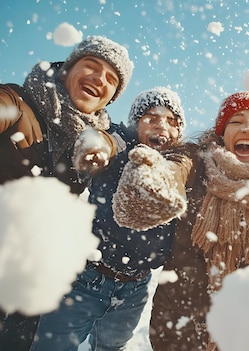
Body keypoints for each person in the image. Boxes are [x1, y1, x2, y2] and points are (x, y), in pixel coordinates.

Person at [0, 35, 133, 351]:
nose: (99, 79)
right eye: (91, 65)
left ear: (110, 98)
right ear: (66, 69)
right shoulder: (13, 104)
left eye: (111, 79)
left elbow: (123, 141)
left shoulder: (89, 142)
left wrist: (108, 144)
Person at [113, 89, 249, 350]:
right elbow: (175, 168)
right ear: (222, 131)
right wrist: (157, 178)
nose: (247, 129)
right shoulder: (197, 162)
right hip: (183, 328)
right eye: (237, 121)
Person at [28, 87, 188, 350]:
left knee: (111, 347)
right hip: (87, 278)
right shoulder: (123, 145)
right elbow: (106, 140)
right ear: (135, 124)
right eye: (151, 117)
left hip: (136, 287)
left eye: (172, 122)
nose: (162, 126)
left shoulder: (177, 167)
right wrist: (97, 146)